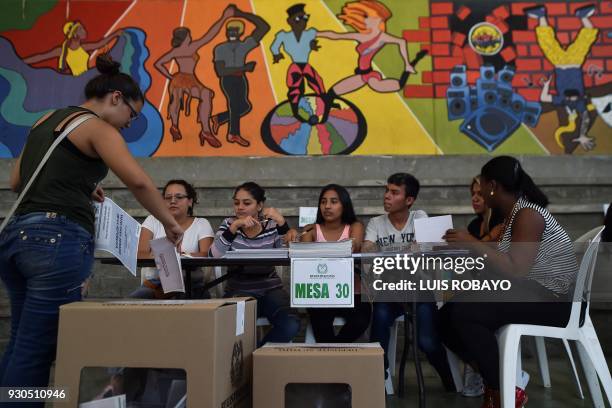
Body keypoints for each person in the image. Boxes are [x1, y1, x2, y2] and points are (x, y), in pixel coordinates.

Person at [0, 55, 183, 393]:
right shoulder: (99, 127)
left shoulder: (44, 120)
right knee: (37, 349)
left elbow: (16, 181)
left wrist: (79, 181)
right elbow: (139, 182)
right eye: (132, 113)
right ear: (116, 97)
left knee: (20, 344)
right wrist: (170, 222)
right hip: (57, 241)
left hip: (16, 237)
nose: (130, 123)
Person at [441, 156, 578, 408]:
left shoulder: (528, 215)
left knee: (465, 312)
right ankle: (503, 384)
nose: (479, 191)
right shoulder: (512, 216)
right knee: (445, 316)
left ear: (493, 185)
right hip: (532, 293)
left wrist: (471, 242)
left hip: (555, 301)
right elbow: (499, 263)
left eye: (481, 184)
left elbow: (516, 268)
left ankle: (501, 392)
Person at [363, 173, 455, 390]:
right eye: (386, 190)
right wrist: (367, 248)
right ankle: (378, 380)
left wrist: (385, 256)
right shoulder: (376, 223)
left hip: (419, 288)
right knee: (379, 326)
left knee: (427, 342)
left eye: (394, 192)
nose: (387, 196)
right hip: (389, 289)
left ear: (409, 200)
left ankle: (448, 379)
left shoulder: (419, 216)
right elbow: (368, 249)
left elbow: (421, 247)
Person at [209, 182, 300, 344]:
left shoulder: (271, 226)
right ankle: (249, 361)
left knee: (291, 325)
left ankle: (256, 358)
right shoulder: (229, 224)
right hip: (239, 290)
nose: (240, 207)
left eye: (247, 203)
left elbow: (289, 252)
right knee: (233, 328)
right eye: (236, 203)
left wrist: (282, 223)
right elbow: (213, 255)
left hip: (271, 290)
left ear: (260, 206)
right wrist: (234, 227)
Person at [154, 6, 234, 147]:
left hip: (186, 79)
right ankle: (188, 128)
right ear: (186, 37)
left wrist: (170, 76)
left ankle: (195, 129)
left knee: (199, 96)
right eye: (189, 35)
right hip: (183, 78)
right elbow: (210, 35)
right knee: (186, 99)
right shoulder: (189, 47)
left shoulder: (178, 50)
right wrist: (224, 18)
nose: (191, 37)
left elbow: (159, 64)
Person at [300, 184, 371, 342]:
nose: (327, 206)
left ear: (344, 205)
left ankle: (332, 353)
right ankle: (333, 357)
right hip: (321, 290)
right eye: (323, 202)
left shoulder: (354, 226)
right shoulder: (311, 230)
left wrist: (319, 251)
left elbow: (353, 246)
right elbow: (305, 256)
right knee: (321, 324)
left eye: (334, 201)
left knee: (361, 320)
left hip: (351, 291)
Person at [528, 4, 599, 153]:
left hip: (560, 64)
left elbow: (544, 98)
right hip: (574, 62)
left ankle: (541, 15)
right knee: (585, 40)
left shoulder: (561, 101)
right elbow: (585, 118)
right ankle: (583, 16)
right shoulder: (580, 105)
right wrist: (582, 134)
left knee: (547, 43)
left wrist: (546, 84)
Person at [130, 179, 214, 299]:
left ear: (190, 201)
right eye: (168, 197)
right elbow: (140, 253)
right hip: (156, 283)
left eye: (179, 197)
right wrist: (161, 255)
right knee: (133, 301)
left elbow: (208, 254)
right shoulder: (152, 221)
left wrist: (180, 255)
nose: (173, 201)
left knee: (193, 299)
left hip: (191, 283)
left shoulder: (201, 224)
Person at [210, 6, 270, 148]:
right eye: (229, 30)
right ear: (226, 32)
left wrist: (240, 14)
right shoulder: (220, 48)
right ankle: (233, 134)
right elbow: (220, 71)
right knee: (234, 104)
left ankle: (218, 118)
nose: (232, 33)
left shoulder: (244, 45)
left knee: (245, 106)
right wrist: (244, 68)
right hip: (228, 80)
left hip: (241, 79)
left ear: (241, 33)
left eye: (235, 31)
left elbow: (264, 27)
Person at [270, 3, 326, 122]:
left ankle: (325, 103)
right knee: (295, 89)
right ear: (290, 21)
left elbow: (330, 35)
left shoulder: (309, 33)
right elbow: (274, 47)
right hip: (295, 66)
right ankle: (296, 112)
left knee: (318, 82)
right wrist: (276, 54)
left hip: (305, 65)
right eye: (298, 18)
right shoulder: (283, 35)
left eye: (305, 18)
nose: (303, 21)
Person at [24, 21, 123, 76]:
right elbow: (41, 57)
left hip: (86, 77)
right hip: (76, 80)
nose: (84, 31)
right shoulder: (62, 51)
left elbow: (100, 44)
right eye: (81, 29)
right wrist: (20, 62)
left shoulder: (83, 47)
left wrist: (116, 34)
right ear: (74, 34)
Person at [467, 176, 503, 242]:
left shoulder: (501, 222)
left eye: (480, 194)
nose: (474, 199)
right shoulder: (473, 225)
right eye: (473, 194)